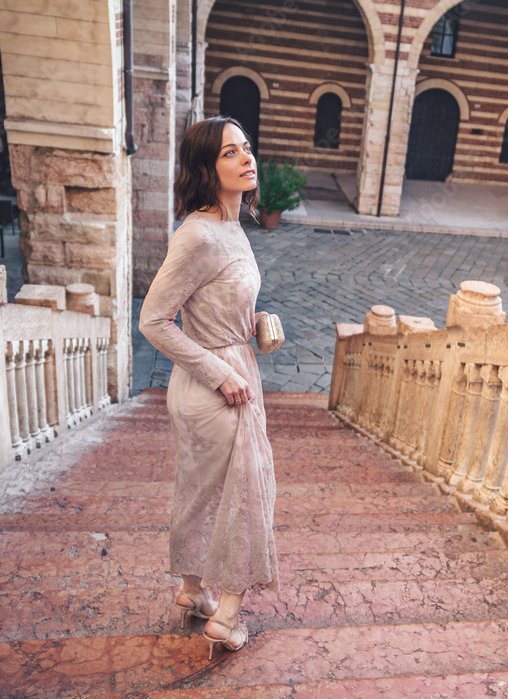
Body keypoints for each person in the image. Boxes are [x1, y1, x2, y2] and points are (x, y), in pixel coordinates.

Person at [139, 115, 278, 659]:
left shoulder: (232, 222)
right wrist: (222, 372)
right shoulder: (198, 232)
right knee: (244, 495)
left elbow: (213, 302)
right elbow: (153, 321)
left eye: (246, 148)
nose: (246, 159)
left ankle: (194, 593)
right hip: (216, 388)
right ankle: (227, 616)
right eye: (229, 153)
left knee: (203, 496)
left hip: (226, 371)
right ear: (204, 167)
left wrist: (253, 321)